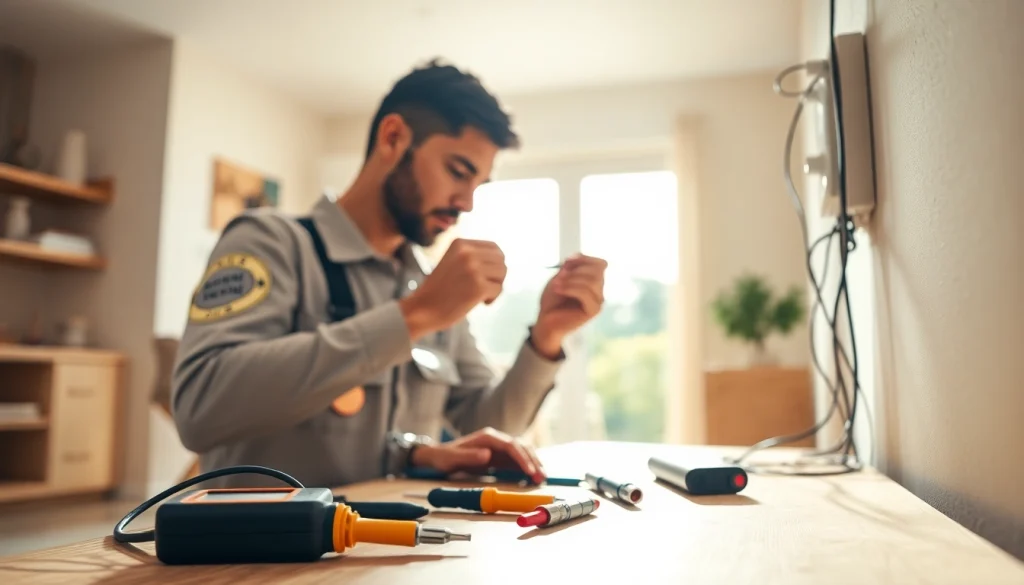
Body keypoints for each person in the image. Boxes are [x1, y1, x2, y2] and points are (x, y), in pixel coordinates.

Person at [171, 59, 608, 489]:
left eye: (478, 185)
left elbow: (486, 425)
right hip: (260, 536)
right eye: (457, 172)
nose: (466, 203)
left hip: (395, 532)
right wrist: (413, 316)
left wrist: (547, 336)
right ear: (393, 138)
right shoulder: (271, 242)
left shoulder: (429, 285)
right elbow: (199, 409)